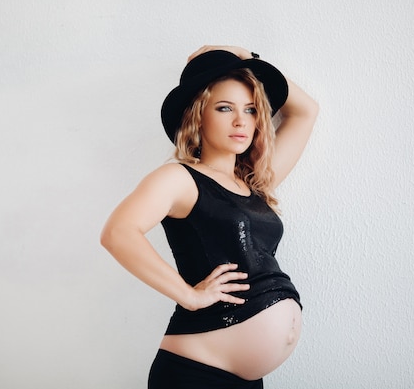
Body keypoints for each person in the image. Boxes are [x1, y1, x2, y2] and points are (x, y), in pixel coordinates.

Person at [100, 45, 318, 388]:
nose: (240, 121)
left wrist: (245, 56)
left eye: (250, 110)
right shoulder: (179, 178)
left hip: (245, 379)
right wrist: (189, 295)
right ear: (197, 115)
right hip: (196, 371)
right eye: (224, 108)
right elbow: (118, 232)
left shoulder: (256, 182)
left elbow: (306, 111)